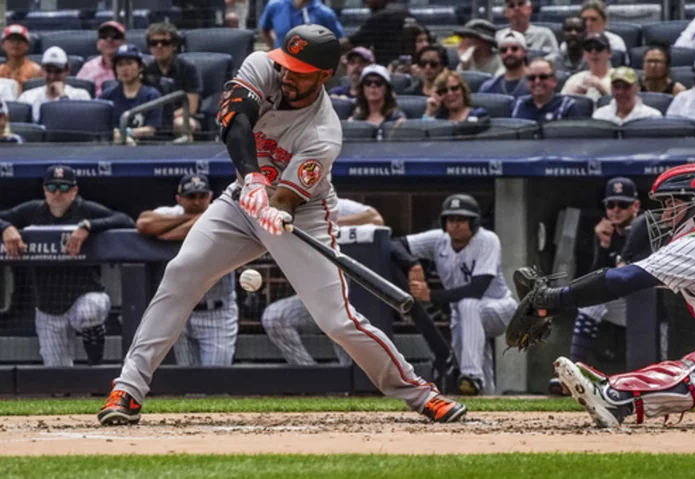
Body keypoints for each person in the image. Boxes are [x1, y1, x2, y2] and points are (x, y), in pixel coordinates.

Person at [97, 25, 466, 426]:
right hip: (241, 198)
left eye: (300, 71)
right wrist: (253, 178)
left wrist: (277, 204)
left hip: (300, 211)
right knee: (181, 272)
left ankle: (419, 392)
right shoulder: (262, 66)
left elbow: (287, 197)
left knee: (335, 319)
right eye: (287, 66)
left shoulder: (324, 132)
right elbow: (234, 121)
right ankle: (128, 389)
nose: (288, 76)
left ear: (324, 75)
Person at [523, 162, 695, 428]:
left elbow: (623, 279)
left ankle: (616, 395)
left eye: (674, 206)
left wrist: (553, 299)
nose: (664, 217)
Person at [0, 165, 135, 367]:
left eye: (64, 188)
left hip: (84, 295)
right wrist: (6, 227)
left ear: (74, 191)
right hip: (47, 306)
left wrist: (89, 226)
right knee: (58, 380)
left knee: (90, 312)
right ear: (44, 189)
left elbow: (125, 220)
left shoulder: (84, 209)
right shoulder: (33, 210)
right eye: (52, 187)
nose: (57, 193)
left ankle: (95, 366)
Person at [392, 194, 517, 395]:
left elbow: (477, 289)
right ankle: (488, 397)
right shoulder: (439, 241)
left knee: (468, 304)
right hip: (463, 315)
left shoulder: (487, 239)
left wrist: (431, 295)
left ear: (474, 222)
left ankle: (472, 375)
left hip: (499, 309)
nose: (455, 225)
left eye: (461, 220)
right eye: (451, 219)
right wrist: (412, 264)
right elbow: (395, 244)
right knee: (474, 353)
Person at [547, 178, 645, 395]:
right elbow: (597, 279)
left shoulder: (644, 227)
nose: (616, 210)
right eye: (611, 205)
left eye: (623, 205)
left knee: (652, 370)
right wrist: (603, 245)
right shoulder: (606, 232)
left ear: (635, 206)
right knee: (591, 302)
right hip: (623, 304)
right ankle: (572, 375)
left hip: (650, 307)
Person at [261, 198, 383, 365]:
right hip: (313, 297)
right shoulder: (281, 215)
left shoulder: (334, 205)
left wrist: (329, 224)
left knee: (340, 319)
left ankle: (348, 380)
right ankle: (309, 375)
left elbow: (376, 219)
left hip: (350, 296)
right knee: (273, 317)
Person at [136, 174, 239, 366]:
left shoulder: (224, 214)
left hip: (216, 312)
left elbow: (186, 231)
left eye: (202, 196)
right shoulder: (173, 211)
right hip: (181, 312)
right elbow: (144, 223)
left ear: (210, 196)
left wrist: (174, 228)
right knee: (188, 385)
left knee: (215, 383)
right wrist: (192, 217)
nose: (198, 201)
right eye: (192, 197)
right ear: (179, 199)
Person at [143, 22, 203, 136]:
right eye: (154, 43)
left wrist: (165, 118)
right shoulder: (145, 70)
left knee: (181, 124)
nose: (159, 46)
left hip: (182, 117)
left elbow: (191, 107)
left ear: (174, 45)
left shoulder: (188, 68)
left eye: (165, 42)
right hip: (153, 118)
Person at [100, 44, 162, 145]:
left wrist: (126, 133)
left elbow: (151, 129)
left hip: (145, 147)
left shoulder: (151, 95)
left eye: (129, 63)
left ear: (140, 67)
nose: (125, 69)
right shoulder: (107, 95)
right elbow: (100, 126)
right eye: (120, 64)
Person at [17, 47, 91, 123]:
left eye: (58, 71)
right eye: (48, 71)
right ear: (42, 70)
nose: (52, 77)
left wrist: (63, 97)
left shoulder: (81, 96)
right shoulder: (27, 97)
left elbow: (78, 124)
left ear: (67, 71)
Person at [348, 0, 415, 66]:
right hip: (409, 66)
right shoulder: (406, 12)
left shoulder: (382, 16)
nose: (365, 1)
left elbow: (351, 43)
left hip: (387, 70)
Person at [512, 58, 580, 122]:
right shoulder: (518, 104)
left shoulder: (567, 106)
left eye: (543, 77)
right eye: (532, 78)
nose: (537, 82)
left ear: (554, 81)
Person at [259, 0, 345, 50]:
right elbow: (264, 28)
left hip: (310, 67)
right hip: (281, 63)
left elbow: (339, 40)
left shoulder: (324, 13)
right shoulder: (275, 6)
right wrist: (275, 48)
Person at [592, 67, 661, 125]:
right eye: (616, 87)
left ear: (637, 88)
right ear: (611, 89)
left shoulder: (652, 116)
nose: (621, 92)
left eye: (626, 87)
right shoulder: (599, 115)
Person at [77, 21, 126, 97]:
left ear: (124, 42)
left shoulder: (133, 67)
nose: (109, 39)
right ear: (98, 44)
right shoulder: (88, 68)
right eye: (104, 36)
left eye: (115, 36)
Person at [561, 32, 612, 101]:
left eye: (598, 48)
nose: (593, 52)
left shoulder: (618, 78)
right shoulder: (574, 79)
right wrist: (573, 96)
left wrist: (601, 88)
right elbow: (561, 107)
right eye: (589, 48)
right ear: (584, 54)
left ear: (609, 53)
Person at [479, 31, 531, 98]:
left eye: (514, 49)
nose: (509, 53)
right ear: (499, 55)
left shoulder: (538, 82)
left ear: (525, 52)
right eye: (504, 50)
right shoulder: (488, 87)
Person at [0, 25, 43, 94]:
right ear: (3, 45)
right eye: (11, 40)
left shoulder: (36, 71)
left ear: (27, 46)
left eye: (20, 40)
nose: (15, 43)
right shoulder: (0, 71)